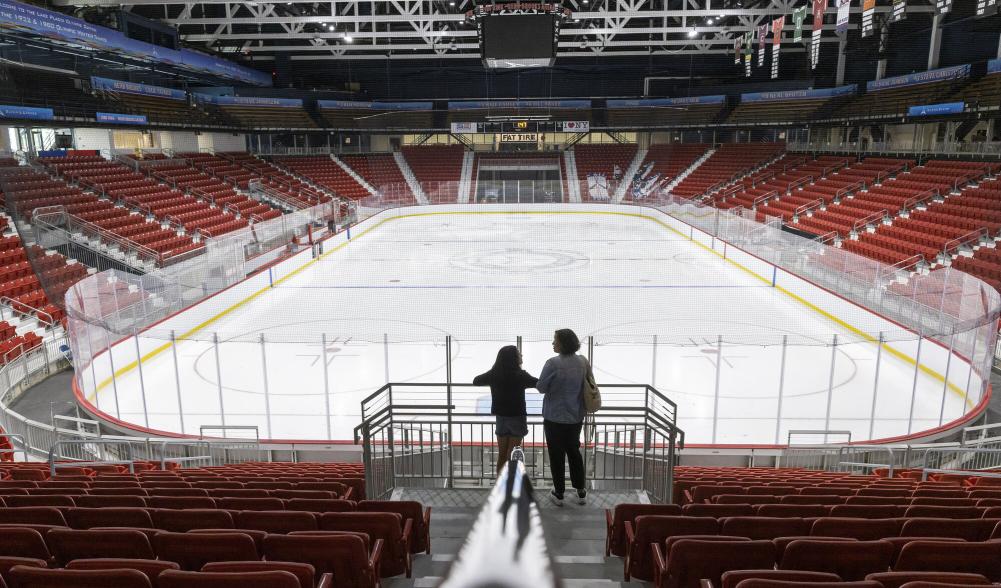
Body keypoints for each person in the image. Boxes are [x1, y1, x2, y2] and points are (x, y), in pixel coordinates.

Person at [536, 328, 588, 506]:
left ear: (563, 344)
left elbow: (541, 387)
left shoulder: (552, 363)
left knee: (556, 454)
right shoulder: (582, 362)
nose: (553, 343)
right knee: (574, 452)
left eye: (555, 340)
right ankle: (581, 491)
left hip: (554, 417)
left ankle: (559, 493)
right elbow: (587, 384)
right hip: (575, 416)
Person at [473, 345, 538, 475]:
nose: (521, 356)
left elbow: (476, 381)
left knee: (502, 455)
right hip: (517, 418)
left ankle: (500, 484)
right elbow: (539, 383)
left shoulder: (494, 374)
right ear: (514, 358)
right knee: (512, 455)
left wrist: (493, 377)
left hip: (501, 418)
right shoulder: (521, 375)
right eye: (519, 354)